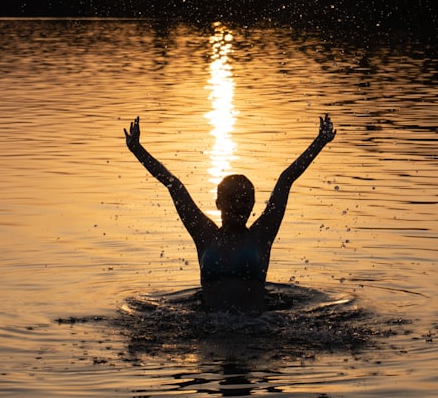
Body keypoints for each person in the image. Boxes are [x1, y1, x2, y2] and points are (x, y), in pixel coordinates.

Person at [124, 114, 336, 314]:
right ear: (218, 203)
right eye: (232, 199)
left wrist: (320, 142)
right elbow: (173, 185)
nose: (239, 205)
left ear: (253, 204)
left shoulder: (261, 235)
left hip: (257, 327)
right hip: (209, 329)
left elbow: (286, 180)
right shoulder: (205, 235)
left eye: (245, 200)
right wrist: (137, 149)